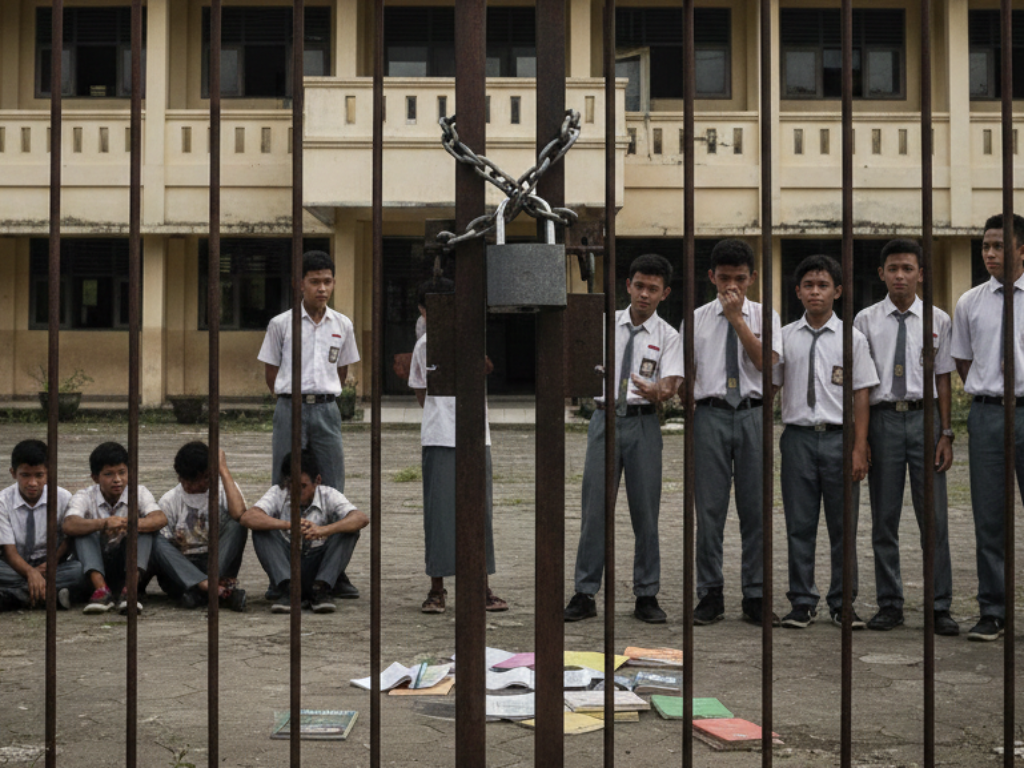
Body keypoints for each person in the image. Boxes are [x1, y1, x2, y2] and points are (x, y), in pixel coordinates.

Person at [564, 253, 684, 624]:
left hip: (643, 423)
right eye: (639, 286)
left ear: (665, 293)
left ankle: (646, 594)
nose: (644, 294)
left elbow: (672, 382)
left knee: (645, 511)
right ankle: (585, 592)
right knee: (594, 510)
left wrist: (658, 392)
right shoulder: (602, 325)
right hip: (604, 420)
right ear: (627, 286)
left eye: (653, 289)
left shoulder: (669, 336)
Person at [854, 239, 959, 636]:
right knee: (884, 518)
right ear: (881, 273)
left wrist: (946, 431)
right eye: (893, 268)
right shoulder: (864, 321)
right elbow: (860, 385)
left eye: (908, 269)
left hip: (924, 419)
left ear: (921, 273)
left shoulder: (938, 320)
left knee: (933, 518)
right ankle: (890, 602)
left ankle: (939, 604)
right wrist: (861, 441)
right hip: (882, 420)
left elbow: (943, 379)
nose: (900, 275)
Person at [774, 255, 878, 630]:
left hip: (839, 438)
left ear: (838, 290)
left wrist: (859, 445)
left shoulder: (853, 338)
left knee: (842, 526)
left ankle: (842, 602)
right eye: (808, 285)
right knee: (799, 524)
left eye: (823, 285)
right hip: (798, 439)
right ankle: (801, 601)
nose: (815, 292)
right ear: (798, 291)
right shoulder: (785, 336)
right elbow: (772, 384)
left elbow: (861, 394)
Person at [687, 239, 782, 627]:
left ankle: (756, 594)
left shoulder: (765, 316)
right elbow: (685, 373)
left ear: (753, 278)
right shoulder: (695, 318)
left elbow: (766, 365)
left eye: (740, 279)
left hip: (751, 413)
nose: (732, 288)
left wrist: (738, 319)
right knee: (708, 511)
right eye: (724, 279)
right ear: (711, 277)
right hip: (709, 414)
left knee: (755, 509)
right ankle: (709, 593)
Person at [258, 249, 360, 600]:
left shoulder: (342, 324)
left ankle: (333, 571)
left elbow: (342, 371)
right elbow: (271, 374)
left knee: (332, 482)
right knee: (285, 482)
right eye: (314, 281)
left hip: (327, 410)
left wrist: (322, 399)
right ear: (299, 283)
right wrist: (292, 402)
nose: (322, 288)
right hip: (290, 408)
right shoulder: (281, 324)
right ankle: (283, 572)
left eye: (327, 281)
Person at [407, 278, 508, 614]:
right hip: (438, 435)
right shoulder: (424, 346)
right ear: (423, 311)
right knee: (439, 514)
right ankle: (437, 589)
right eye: (430, 307)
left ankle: (481, 586)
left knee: (479, 511)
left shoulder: (471, 339)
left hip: (477, 435)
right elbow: (422, 392)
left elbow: (484, 370)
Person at [951, 212, 1024, 642]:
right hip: (988, 413)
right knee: (989, 518)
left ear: (1021, 249)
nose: (991, 254)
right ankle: (993, 610)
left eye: (999, 246)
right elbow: (962, 360)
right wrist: (989, 391)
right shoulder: (970, 302)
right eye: (985, 246)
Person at [241, 450, 368, 614]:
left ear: (317, 481)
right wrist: (288, 525)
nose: (296, 492)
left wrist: (324, 530)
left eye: (303, 486)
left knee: (349, 530)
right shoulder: (277, 493)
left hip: (318, 562)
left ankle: (320, 588)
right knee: (262, 530)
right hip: (288, 562)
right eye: (291, 486)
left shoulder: (329, 494)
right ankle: (289, 589)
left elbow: (361, 518)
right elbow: (248, 517)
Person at [63, 442, 166, 615]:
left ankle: (130, 592)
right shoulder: (85, 496)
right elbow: (69, 524)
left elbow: (160, 518)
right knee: (83, 530)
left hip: (126, 566)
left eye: (122, 472)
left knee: (143, 529)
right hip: (94, 567)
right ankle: (101, 591)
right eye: (109, 474)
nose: (117, 479)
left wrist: (128, 524)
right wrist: (103, 524)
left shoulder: (138, 492)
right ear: (95, 477)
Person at [149, 442, 249, 611]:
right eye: (197, 480)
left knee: (237, 523)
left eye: (207, 477)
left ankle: (201, 592)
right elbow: (164, 550)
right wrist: (175, 542)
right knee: (155, 540)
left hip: (216, 563)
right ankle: (214, 590)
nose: (204, 483)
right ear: (182, 479)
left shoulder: (224, 489)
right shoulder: (170, 500)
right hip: (183, 568)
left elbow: (240, 514)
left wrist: (223, 470)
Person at [0, 440, 81, 611]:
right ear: (13, 473)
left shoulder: (63, 498)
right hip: (14, 567)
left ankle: (17, 596)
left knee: (79, 570)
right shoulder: (3, 502)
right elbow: (9, 551)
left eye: (39, 475)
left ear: (49, 473)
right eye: (25, 475)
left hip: (51, 567)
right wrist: (30, 572)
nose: (32, 483)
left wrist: (53, 561)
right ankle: (48, 596)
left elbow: (68, 539)